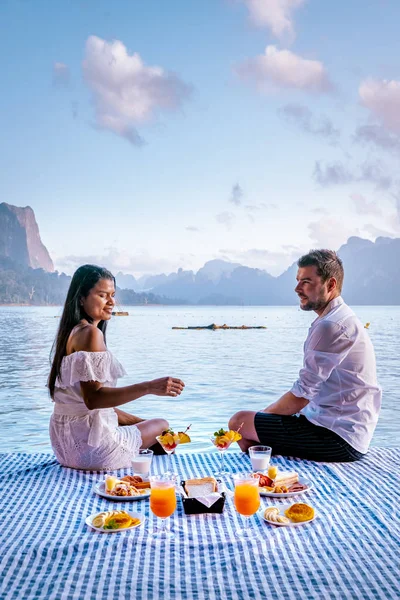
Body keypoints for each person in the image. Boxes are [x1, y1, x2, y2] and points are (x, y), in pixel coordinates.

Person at [229, 249, 382, 462]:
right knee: (252, 425)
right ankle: (271, 460)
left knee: (240, 422)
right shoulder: (340, 317)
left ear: (331, 285)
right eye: (298, 281)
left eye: (306, 282)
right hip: (348, 431)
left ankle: (266, 466)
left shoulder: (330, 325)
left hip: (338, 438)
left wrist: (261, 418)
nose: (297, 289)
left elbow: (301, 396)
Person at [48, 264, 185, 470]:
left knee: (157, 430)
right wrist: (149, 387)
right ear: (82, 298)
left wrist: (140, 423)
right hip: (94, 451)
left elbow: (92, 405)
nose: (111, 302)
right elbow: (94, 399)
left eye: (113, 295)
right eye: (103, 295)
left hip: (65, 450)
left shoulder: (71, 333)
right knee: (163, 425)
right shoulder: (91, 334)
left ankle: (148, 440)